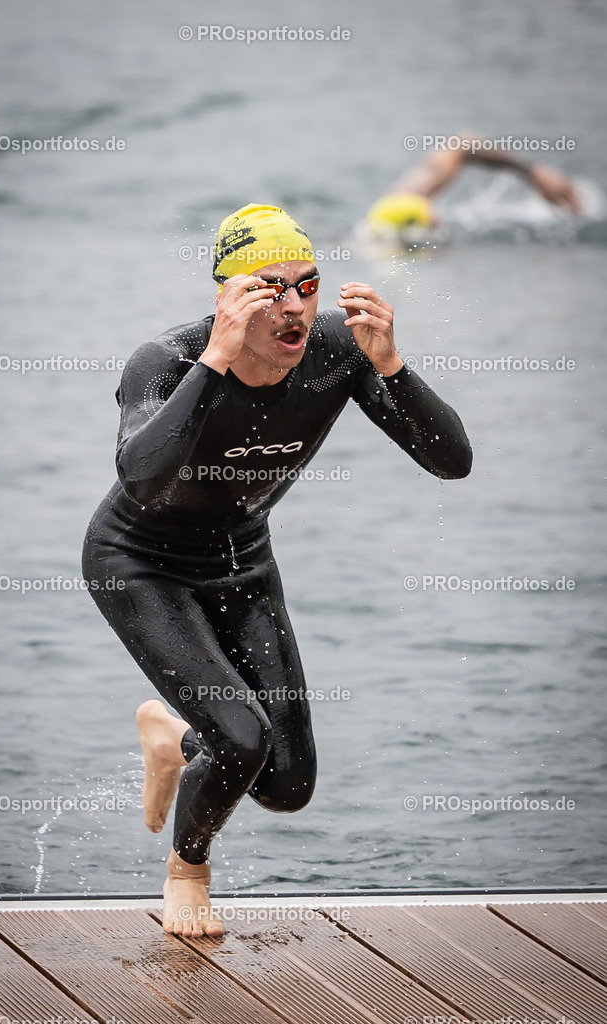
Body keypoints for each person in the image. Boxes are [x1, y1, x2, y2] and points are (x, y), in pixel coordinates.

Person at [82, 203, 472, 937]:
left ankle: (175, 734)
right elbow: (140, 477)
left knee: (285, 784)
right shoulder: (165, 359)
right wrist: (215, 361)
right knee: (240, 739)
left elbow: (451, 462)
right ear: (228, 296)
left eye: (307, 285)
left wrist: (391, 363)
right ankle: (186, 872)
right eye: (269, 290)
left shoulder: (337, 351)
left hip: (240, 562)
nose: (293, 309)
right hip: (138, 564)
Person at [365, 132, 582, 235]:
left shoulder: (400, 201)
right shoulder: (395, 210)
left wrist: (532, 172)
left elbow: (461, 145)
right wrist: (531, 171)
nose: (435, 220)